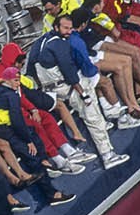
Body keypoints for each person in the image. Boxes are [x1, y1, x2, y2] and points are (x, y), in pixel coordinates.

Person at [29, 16, 131, 170]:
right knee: (93, 116)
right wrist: (83, 94)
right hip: (67, 88)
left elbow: (31, 70)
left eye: (70, 28)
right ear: (56, 27)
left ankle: (105, 120)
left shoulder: (39, 43)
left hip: (49, 90)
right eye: (65, 28)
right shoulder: (60, 44)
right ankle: (108, 155)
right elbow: (69, 73)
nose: (69, 31)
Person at [0, 67, 75, 208]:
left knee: (36, 141)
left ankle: (45, 163)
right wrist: (28, 141)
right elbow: (17, 120)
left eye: (19, 80)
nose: (18, 83)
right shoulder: (11, 95)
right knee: (31, 155)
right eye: (15, 80)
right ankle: (52, 194)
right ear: (8, 80)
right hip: (6, 129)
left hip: (1, 128)